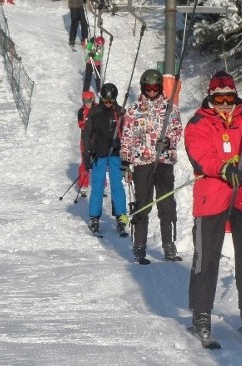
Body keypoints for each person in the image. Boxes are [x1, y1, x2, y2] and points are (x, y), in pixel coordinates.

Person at [183, 71, 242, 342]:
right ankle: (201, 313)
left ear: (236, 97)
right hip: (212, 196)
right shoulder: (199, 123)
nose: (225, 103)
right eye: (219, 98)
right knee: (206, 257)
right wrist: (224, 169)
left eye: (229, 97)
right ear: (211, 98)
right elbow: (200, 156)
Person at [120, 68, 183, 264]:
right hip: (142, 162)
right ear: (143, 87)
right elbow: (127, 137)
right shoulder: (133, 110)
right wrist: (126, 162)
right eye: (149, 87)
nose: (153, 91)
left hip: (163, 160)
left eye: (156, 87)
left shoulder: (170, 108)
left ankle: (169, 245)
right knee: (143, 204)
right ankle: (139, 246)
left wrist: (169, 140)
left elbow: (178, 130)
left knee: (166, 203)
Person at [82, 83, 128, 236]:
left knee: (117, 185)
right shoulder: (94, 112)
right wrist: (86, 155)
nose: (108, 104)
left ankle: (121, 216)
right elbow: (86, 133)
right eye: (106, 101)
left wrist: (120, 143)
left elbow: (127, 133)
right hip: (99, 154)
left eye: (111, 101)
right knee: (97, 185)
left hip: (114, 153)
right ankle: (94, 217)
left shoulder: (120, 112)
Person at [76, 90, 95, 198]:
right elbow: (81, 124)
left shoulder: (97, 108)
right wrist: (89, 128)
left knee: (98, 161)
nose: (87, 103)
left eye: (89, 100)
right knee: (85, 160)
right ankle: (83, 184)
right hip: (85, 139)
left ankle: (100, 185)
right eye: (85, 101)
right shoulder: (81, 111)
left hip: (96, 139)